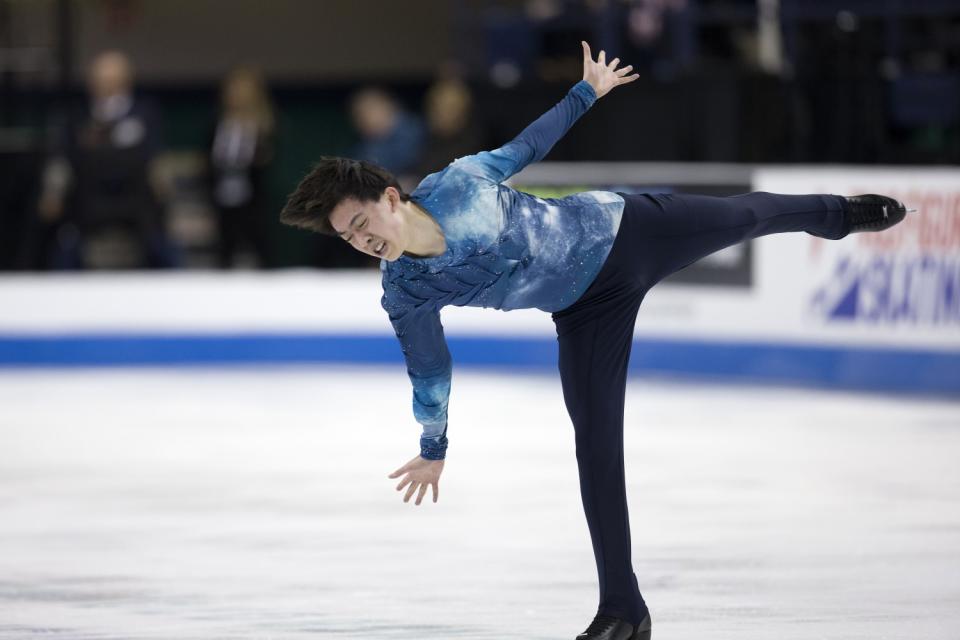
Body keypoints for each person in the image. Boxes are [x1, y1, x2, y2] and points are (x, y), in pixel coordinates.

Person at [279, 41, 909, 640]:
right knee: (596, 447)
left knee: (744, 216)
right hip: (584, 313)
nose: (363, 241)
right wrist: (433, 443)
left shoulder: (460, 183)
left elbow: (528, 145)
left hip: (625, 230)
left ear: (390, 196)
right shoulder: (404, 291)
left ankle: (836, 214)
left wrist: (587, 90)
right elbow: (430, 368)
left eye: (362, 223)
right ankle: (623, 608)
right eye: (349, 238)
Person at [37, 50, 179, 269]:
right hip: (87, 205)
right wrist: (53, 194)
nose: (104, 85)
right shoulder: (78, 117)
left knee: (165, 250)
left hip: (136, 205)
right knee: (61, 250)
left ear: (125, 80)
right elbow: (61, 162)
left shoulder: (145, 114)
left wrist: (165, 188)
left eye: (111, 79)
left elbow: (156, 158)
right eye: (99, 79)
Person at [207, 65, 276, 268]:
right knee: (225, 243)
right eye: (233, 90)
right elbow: (208, 156)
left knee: (259, 241)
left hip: (253, 194)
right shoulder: (217, 122)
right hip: (222, 191)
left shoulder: (265, 126)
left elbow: (268, 160)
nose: (236, 96)